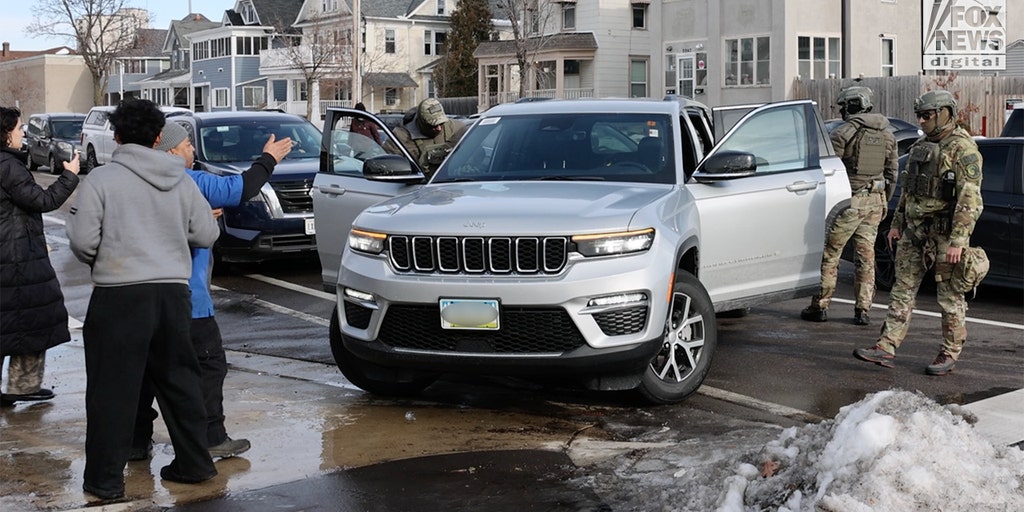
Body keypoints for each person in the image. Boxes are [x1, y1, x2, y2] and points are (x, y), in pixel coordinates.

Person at [66, 99, 221, 500]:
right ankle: (195, 463)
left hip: (118, 295)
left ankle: (105, 481)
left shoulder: (102, 179)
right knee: (180, 382)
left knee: (112, 391)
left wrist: (107, 259)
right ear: (158, 137)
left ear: (116, 137)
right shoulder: (182, 180)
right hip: (172, 294)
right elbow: (206, 234)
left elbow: (83, 242)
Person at [129, 121, 292, 461]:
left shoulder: (130, 181)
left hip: (140, 297)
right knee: (208, 365)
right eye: (188, 145)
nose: (192, 151)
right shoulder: (189, 181)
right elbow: (241, 188)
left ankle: (134, 442)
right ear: (171, 150)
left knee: (143, 373)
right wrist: (268, 158)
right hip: (188, 299)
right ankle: (211, 436)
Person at [853, 90, 983, 376]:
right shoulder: (921, 147)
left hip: (944, 234)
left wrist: (959, 241)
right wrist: (897, 223)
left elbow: (969, 199)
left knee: (949, 296)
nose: (921, 121)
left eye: (927, 115)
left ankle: (949, 352)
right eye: (919, 116)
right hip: (914, 231)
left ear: (945, 113)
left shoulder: (963, 150)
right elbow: (908, 190)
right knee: (903, 288)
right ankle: (886, 346)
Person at [0, 106, 80, 407]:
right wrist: (69, 176)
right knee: (33, 319)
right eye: (20, 129)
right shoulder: (8, 166)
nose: (24, 134)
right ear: (6, 134)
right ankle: (23, 386)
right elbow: (43, 200)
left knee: (13, 322)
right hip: (16, 257)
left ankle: (22, 386)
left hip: (12, 255)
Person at [801, 86, 897, 325]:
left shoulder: (843, 133)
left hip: (848, 203)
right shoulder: (888, 134)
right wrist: (884, 199)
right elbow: (892, 174)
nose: (842, 110)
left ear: (854, 105)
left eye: (844, 106)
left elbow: (829, 171)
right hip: (875, 201)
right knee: (866, 256)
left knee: (831, 254)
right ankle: (863, 310)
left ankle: (820, 306)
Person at [392, 98, 468, 177]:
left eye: (441, 123)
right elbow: (391, 166)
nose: (438, 128)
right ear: (422, 122)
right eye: (433, 125)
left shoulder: (458, 129)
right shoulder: (401, 137)